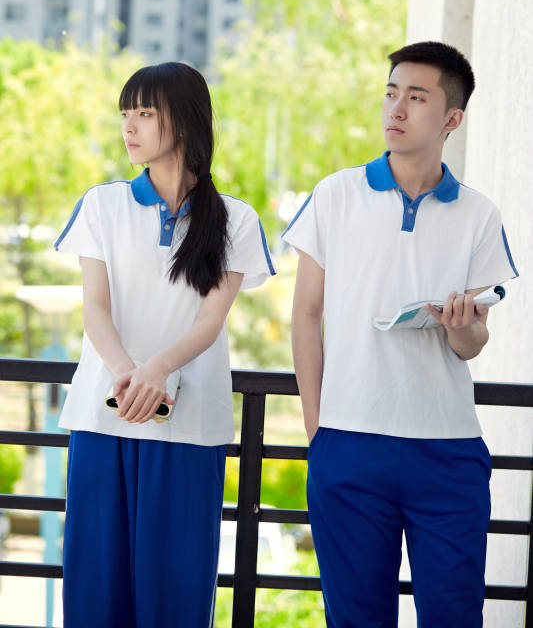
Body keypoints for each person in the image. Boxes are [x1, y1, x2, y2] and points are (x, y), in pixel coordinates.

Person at [283, 41, 518, 628]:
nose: (396, 108)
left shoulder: (478, 214)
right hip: (348, 445)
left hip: (448, 450)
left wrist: (463, 327)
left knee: (454, 617)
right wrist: (318, 428)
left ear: (451, 119)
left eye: (416, 97)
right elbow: (306, 314)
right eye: (391, 93)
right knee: (356, 619)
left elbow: (472, 344)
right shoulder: (336, 194)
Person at [54, 61, 275, 628]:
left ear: (185, 119)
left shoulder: (235, 219)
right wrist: (128, 372)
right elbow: (95, 307)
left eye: (145, 113)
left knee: (175, 595)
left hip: (189, 427)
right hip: (104, 418)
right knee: (95, 590)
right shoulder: (102, 204)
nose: (129, 127)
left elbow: (211, 319)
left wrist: (158, 370)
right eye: (126, 114)